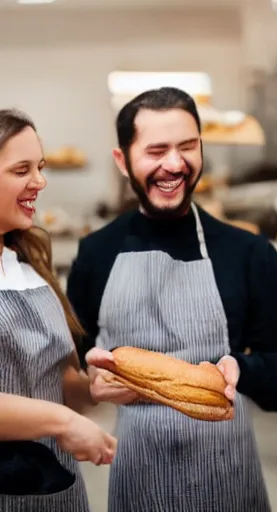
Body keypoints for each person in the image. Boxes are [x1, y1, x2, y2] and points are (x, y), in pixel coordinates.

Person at [66, 87, 277, 512]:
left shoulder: (248, 253)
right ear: (123, 161)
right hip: (138, 475)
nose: (174, 164)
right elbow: (73, 366)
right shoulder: (97, 254)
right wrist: (91, 383)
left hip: (228, 478)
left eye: (187, 147)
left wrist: (240, 370)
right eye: (156, 150)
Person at [0, 108, 117, 511]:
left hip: (59, 493)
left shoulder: (29, 265)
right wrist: (64, 423)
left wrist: (94, 388)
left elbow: (56, 378)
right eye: (21, 170)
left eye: (41, 167)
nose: (40, 181)